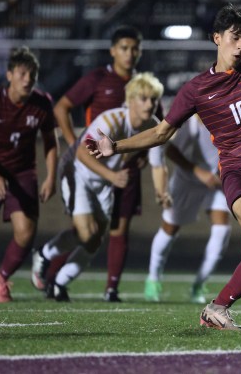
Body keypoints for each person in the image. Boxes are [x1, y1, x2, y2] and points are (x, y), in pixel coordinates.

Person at [86, 4, 241, 330]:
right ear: (217, 38)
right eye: (235, 38)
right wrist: (114, 146)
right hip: (235, 168)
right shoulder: (196, 89)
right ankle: (236, 290)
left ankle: (219, 304)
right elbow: (161, 133)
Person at [31, 73, 169, 302]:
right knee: (86, 232)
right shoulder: (112, 120)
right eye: (144, 98)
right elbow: (82, 153)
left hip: (104, 181)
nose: (149, 104)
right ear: (131, 99)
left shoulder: (153, 126)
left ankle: (59, 282)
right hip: (78, 172)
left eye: (153, 99)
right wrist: (113, 176)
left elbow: (158, 165)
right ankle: (45, 253)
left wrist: (161, 192)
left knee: (94, 239)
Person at [50, 25, 161, 302]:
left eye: (135, 48)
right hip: (93, 166)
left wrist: (146, 159)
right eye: (124, 47)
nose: (130, 53)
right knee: (85, 231)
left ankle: (111, 288)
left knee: (118, 228)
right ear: (112, 50)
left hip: (126, 168)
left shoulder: (146, 88)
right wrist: (73, 142)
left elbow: (157, 133)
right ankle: (50, 275)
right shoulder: (99, 79)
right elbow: (61, 107)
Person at [0, 46, 58, 303]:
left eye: (32, 74)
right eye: (23, 73)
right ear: (9, 75)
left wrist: (50, 176)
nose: (28, 79)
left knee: (26, 230)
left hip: (23, 172)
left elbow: (50, 141)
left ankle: (1, 278)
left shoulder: (42, 103)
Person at [144, 115, 231, 304]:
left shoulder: (226, 113)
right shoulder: (187, 121)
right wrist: (199, 172)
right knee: (169, 228)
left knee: (222, 230)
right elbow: (169, 149)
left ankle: (199, 284)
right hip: (187, 179)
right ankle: (153, 279)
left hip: (216, 180)